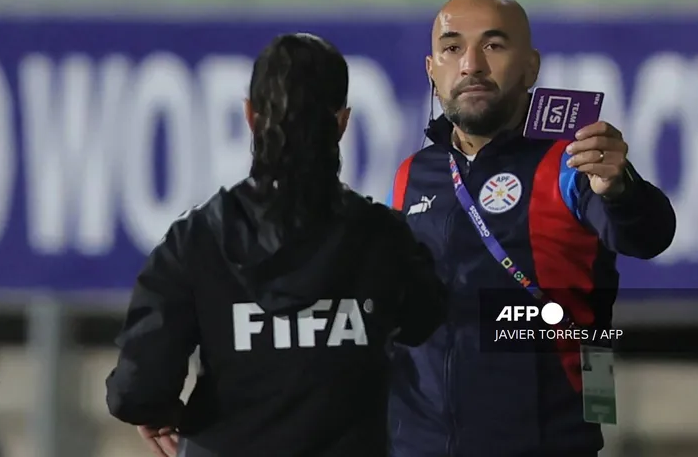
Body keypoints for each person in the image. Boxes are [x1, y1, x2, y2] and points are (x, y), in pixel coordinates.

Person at [105, 33, 448, 457]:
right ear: (342, 122)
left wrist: (160, 411)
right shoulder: (383, 238)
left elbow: (137, 389)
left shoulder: (196, 240)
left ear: (250, 116)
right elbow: (425, 318)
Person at [385, 0, 677, 457]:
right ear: (432, 69)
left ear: (531, 67)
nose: (471, 65)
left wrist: (621, 189)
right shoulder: (411, 174)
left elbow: (647, 236)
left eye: (493, 45)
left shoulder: (573, 161)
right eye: (452, 48)